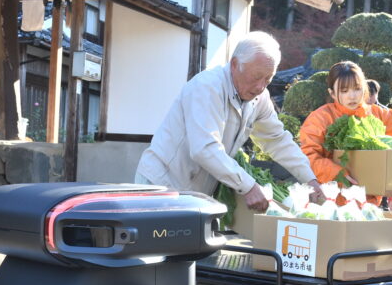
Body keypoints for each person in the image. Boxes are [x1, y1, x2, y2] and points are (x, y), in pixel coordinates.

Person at [134, 31, 324, 212]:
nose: (260, 86)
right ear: (235, 64)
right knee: (159, 246)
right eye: (257, 77)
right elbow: (205, 148)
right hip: (161, 187)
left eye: (268, 79)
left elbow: (276, 140)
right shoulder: (208, 87)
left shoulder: (260, 97)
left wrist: (310, 179)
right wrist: (248, 186)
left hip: (194, 195)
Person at [299, 61, 392, 186]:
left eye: (357, 89)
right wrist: (336, 173)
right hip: (332, 194)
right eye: (344, 91)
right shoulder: (320, 118)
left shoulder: (376, 113)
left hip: (373, 192)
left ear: (365, 88)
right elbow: (307, 155)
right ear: (332, 93)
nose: (352, 96)